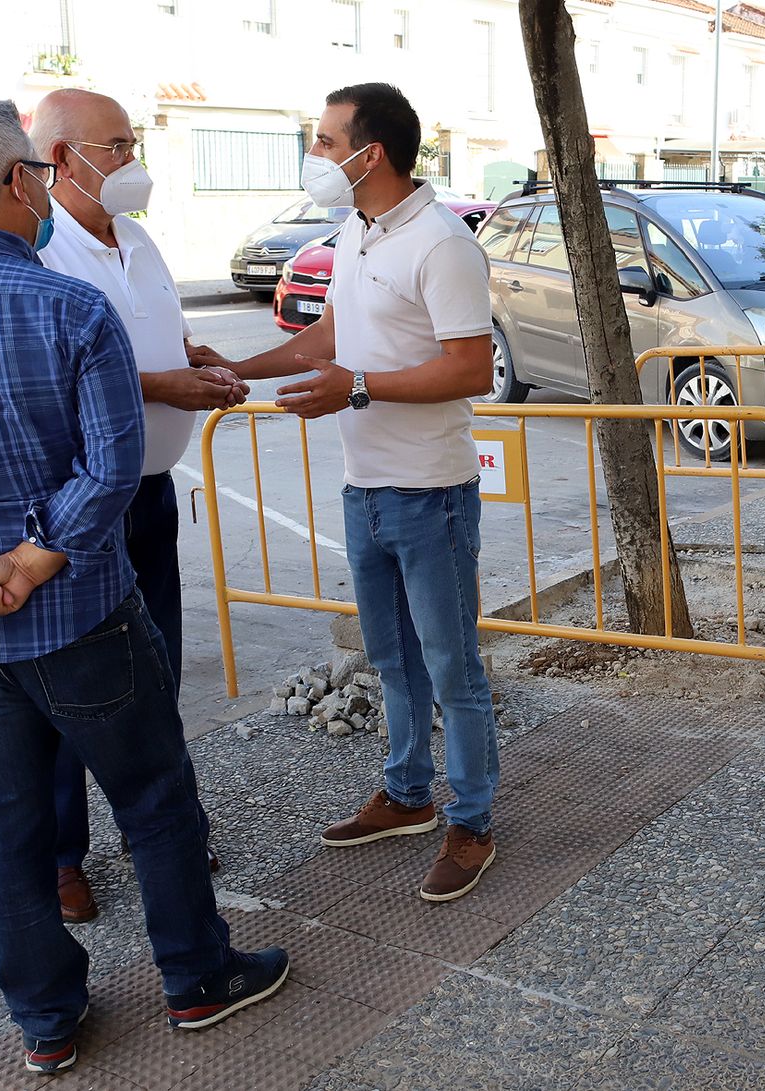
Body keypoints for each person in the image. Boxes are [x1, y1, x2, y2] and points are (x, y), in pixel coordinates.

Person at [0, 95, 286, 1075]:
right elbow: (113, 465)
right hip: (82, 616)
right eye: (34, 171)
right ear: (14, 181)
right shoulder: (71, 308)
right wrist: (31, 561)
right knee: (155, 798)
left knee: (7, 820)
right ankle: (196, 979)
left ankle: (46, 1018)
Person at [214, 83, 500, 903]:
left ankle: (472, 819)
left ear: (371, 153)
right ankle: (408, 796)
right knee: (393, 661)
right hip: (364, 488)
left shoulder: (443, 244)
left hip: (431, 494)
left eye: (327, 140)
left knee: (453, 667)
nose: (318, 155)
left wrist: (360, 389)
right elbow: (329, 336)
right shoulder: (356, 227)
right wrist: (236, 369)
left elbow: (470, 368)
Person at [28, 88, 240, 924]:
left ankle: (163, 827)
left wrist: (198, 360)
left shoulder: (140, 239)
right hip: (85, 504)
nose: (132, 161)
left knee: (156, 673)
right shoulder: (43, 250)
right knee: (70, 685)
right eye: (114, 146)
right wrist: (167, 383)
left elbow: (159, 337)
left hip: (151, 494)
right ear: (59, 160)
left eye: (131, 141)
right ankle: (59, 858)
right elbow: (58, 376)